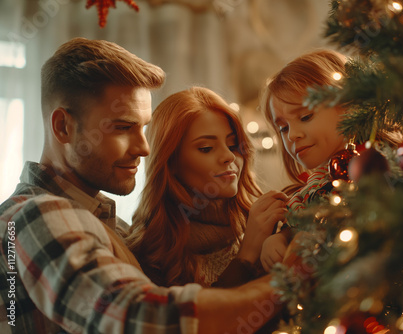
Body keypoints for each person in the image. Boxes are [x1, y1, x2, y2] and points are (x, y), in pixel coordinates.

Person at [0, 37, 284, 334]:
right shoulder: (36, 215)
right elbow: (144, 319)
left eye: (143, 128)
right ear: (63, 127)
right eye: (123, 127)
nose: (144, 148)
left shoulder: (115, 228)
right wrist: (292, 277)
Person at [126, 87, 288, 288]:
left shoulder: (263, 220)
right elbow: (199, 319)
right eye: (206, 148)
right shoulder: (149, 249)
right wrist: (247, 255)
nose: (229, 156)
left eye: (232, 144)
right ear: (170, 162)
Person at [258, 49, 401, 271]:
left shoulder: (381, 164)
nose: (292, 135)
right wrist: (279, 239)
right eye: (283, 128)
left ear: (350, 107)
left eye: (305, 117)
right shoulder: (310, 188)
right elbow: (304, 219)